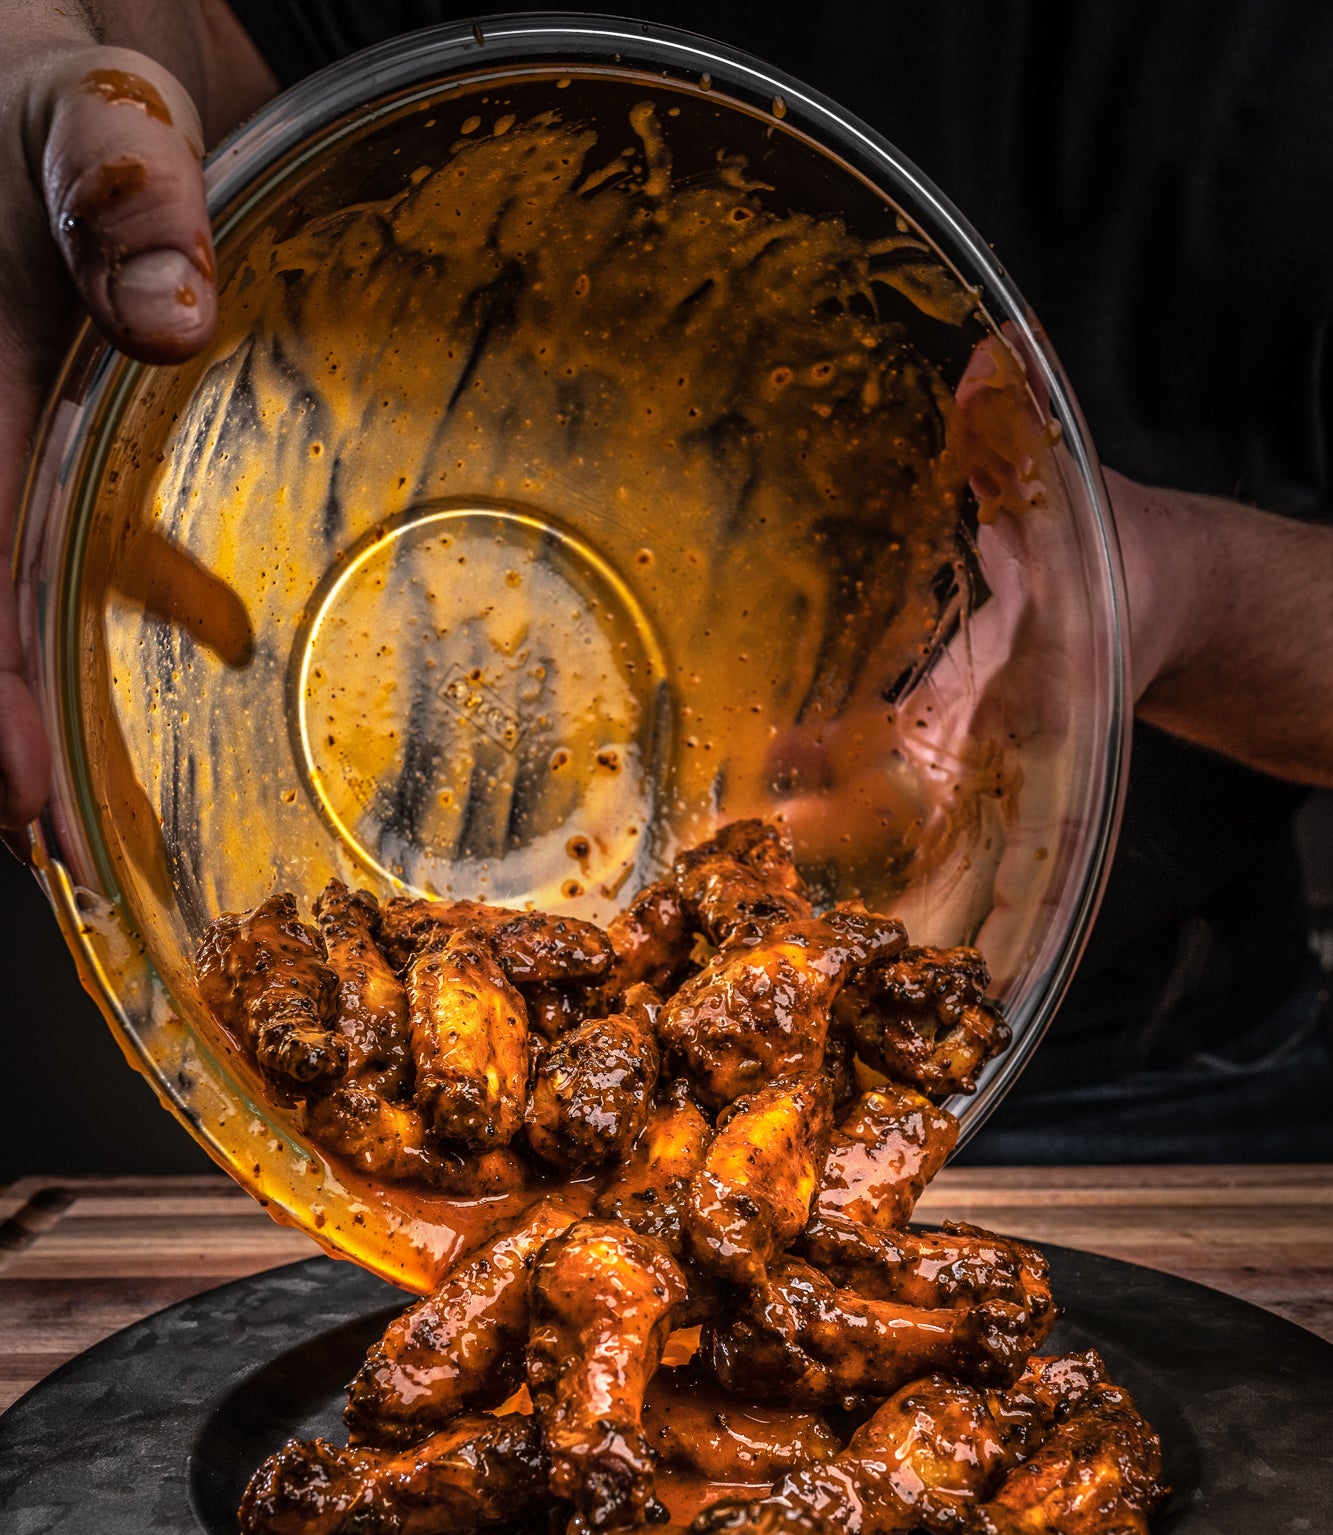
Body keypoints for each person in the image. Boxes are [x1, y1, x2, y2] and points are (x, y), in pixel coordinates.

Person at [1, 0, 1331, 1172]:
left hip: (1162, 1072)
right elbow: (184, 36)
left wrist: (1186, 589)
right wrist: (46, 63)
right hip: (393, 1060)